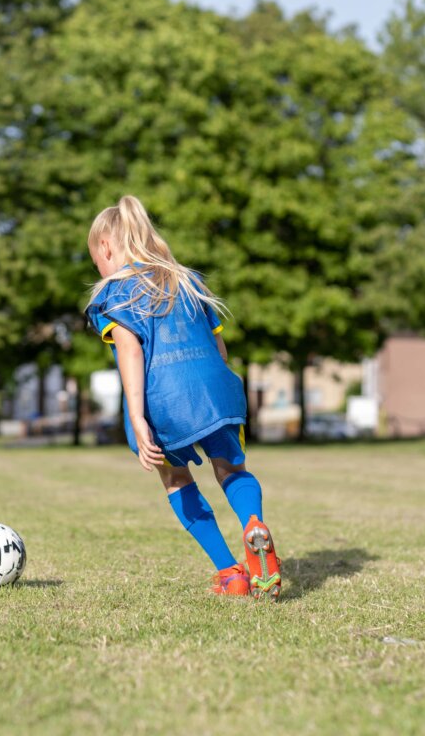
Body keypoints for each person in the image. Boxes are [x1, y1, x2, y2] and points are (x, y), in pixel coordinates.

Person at [85, 195, 282, 599]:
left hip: (164, 399)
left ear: (105, 248)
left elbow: (130, 351)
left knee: (175, 478)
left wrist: (138, 418)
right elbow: (220, 350)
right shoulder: (187, 279)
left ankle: (231, 574)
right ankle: (253, 524)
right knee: (231, 470)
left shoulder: (114, 294)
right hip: (217, 391)